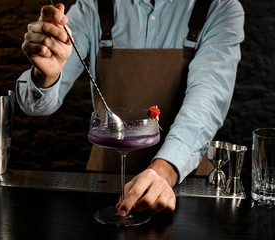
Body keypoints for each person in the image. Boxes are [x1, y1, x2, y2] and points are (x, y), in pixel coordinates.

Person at [16, 0, 245, 217]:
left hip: (184, 184)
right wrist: (45, 75)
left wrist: (165, 170)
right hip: (105, 184)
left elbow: (207, 100)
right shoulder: (92, 7)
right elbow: (36, 107)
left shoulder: (220, 8)